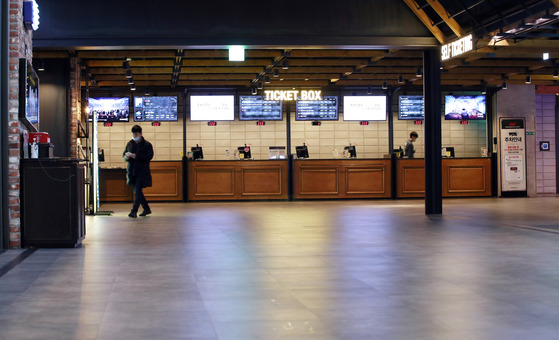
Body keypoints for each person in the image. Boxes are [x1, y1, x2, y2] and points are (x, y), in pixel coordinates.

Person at [123, 125, 154, 218]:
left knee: (138, 190)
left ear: (141, 134)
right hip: (132, 171)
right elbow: (123, 155)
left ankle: (134, 211)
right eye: (133, 134)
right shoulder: (130, 144)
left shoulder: (147, 145)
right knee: (137, 192)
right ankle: (147, 208)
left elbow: (149, 156)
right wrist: (126, 157)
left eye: (136, 134)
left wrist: (137, 156)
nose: (135, 135)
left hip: (142, 171)